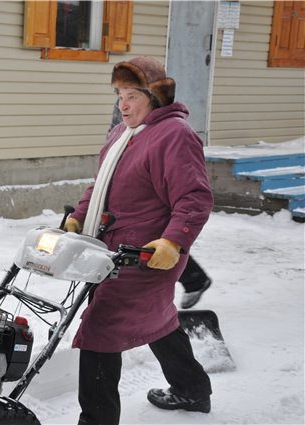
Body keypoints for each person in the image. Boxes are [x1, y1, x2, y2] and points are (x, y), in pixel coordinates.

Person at [64, 56, 213, 424]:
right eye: (118, 95)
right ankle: (193, 390)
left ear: (155, 96)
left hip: (146, 255)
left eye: (131, 95)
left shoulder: (175, 135)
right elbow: (101, 185)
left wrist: (173, 243)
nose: (122, 104)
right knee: (158, 319)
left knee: (100, 330)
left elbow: (193, 197)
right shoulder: (123, 135)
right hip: (112, 250)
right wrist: (78, 216)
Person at [110, 100, 213, 310]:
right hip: (133, 174)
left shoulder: (169, 125)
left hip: (151, 180)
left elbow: (194, 195)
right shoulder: (124, 105)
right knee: (151, 243)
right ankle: (192, 281)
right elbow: (117, 132)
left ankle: (193, 281)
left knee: (156, 241)